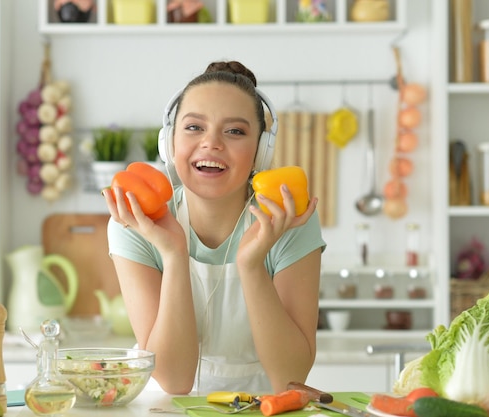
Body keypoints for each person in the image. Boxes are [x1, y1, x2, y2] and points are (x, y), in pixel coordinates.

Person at [102, 61, 325, 395]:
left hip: (262, 408)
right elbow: (175, 381)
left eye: (235, 131)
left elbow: (290, 377)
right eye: (194, 127)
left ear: (261, 153)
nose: (212, 143)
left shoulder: (288, 220)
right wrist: (174, 255)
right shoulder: (135, 222)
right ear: (169, 143)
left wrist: (251, 264)